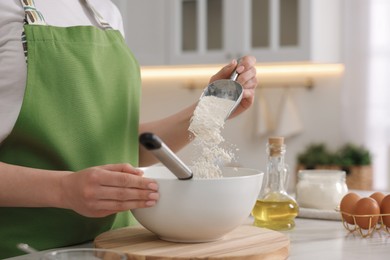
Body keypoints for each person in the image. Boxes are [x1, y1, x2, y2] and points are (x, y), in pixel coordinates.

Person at [0, 0, 257, 258]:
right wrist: (64, 189)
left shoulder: (106, 13)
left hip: (117, 248)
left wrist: (206, 113)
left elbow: (119, 147)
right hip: (25, 251)